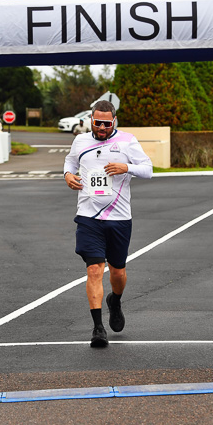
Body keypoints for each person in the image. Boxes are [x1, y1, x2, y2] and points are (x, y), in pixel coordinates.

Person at [63, 100, 153, 347]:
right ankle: (98, 328)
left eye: (106, 123)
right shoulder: (81, 141)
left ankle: (115, 300)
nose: (101, 127)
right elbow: (70, 162)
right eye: (97, 122)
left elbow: (148, 169)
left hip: (119, 218)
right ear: (91, 120)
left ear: (114, 121)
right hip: (89, 217)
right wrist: (68, 175)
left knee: (118, 272)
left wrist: (127, 167)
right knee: (94, 269)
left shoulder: (127, 141)